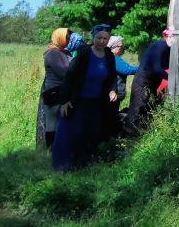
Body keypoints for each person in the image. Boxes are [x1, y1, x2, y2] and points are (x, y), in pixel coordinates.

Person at [51, 24, 118, 172]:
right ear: (93, 37)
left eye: (105, 38)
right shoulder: (84, 54)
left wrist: (113, 90)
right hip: (77, 100)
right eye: (99, 38)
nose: (102, 41)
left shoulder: (108, 56)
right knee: (71, 132)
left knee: (91, 133)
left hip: (96, 102)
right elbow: (70, 77)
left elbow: (112, 75)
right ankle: (63, 166)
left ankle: (84, 163)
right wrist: (65, 100)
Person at [123, 31, 170, 135]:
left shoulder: (168, 49)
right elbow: (157, 68)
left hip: (152, 82)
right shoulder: (160, 46)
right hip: (143, 81)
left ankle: (140, 133)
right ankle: (127, 135)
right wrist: (171, 78)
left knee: (148, 108)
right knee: (137, 108)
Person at [36, 28, 72, 150]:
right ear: (59, 37)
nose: (68, 39)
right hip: (54, 92)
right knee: (53, 123)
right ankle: (51, 150)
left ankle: (62, 149)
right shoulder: (52, 53)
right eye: (66, 37)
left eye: (69, 37)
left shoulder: (66, 52)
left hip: (66, 90)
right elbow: (63, 72)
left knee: (65, 121)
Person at [108, 35, 138, 101]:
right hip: (114, 94)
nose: (122, 48)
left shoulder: (109, 56)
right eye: (121, 46)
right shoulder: (114, 58)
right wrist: (144, 68)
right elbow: (127, 70)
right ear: (115, 47)